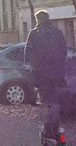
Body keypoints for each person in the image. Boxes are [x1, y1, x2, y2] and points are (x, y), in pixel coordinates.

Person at [25, 10, 68, 144]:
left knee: (46, 103)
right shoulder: (58, 33)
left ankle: (47, 132)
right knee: (55, 103)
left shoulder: (34, 34)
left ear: (38, 19)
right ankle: (56, 131)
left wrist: (32, 72)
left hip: (41, 76)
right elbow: (64, 52)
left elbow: (28, 55)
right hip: (57, 74)